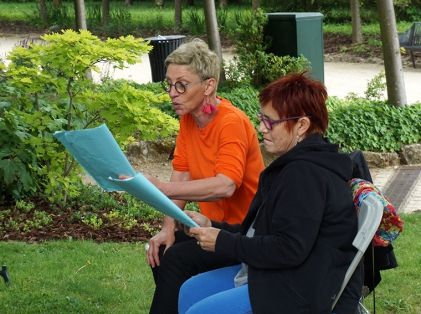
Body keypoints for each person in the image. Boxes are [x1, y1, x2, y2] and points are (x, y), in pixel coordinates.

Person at [178, 73, 363, 314]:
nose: (261, 128)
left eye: (269, 121)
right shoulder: (294, 165)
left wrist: (222, 242)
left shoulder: (305, 174)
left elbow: (289, 248)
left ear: (302, 125)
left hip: (299, 290)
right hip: (282, 275)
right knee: (190, 289)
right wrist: (212, 225)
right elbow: (262, 232)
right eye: (261, 118)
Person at [146, 38, 265, 313]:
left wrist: (161, 189)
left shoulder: (231, 122)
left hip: (245, 235)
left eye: (182, 85)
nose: (172, 93)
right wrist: (167, 229)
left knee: (176, 259)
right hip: (211, 226)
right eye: (169, 84)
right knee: (164, 252)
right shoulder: (189, 120)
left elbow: (226, 185)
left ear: (209, 85)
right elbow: (182, 175)